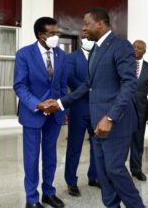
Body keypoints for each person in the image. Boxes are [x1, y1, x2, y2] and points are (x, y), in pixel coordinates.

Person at [42, 8, 145, 208]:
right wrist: (61, 103)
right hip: (97, 123)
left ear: (100, 23)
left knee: (115, 169)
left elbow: (129, 84)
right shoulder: (96, 50)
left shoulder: (121, 46)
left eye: (87, 23)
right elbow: (88, 85)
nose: (84, 28)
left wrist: (111, 117)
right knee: (104, 171)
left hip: (115, 122)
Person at [13, 17, 67, 208]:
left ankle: (49, 192)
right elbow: (19, 86)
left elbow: (62, 85)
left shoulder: (61, 55)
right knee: (32, 157)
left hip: (55, 115)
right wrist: (38, 104)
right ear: (40, 35)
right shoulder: (24, 54)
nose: (55, 36)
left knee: (51, 155)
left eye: (56, 32)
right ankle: (31, 198)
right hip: (33, 114)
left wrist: (61, 106)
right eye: (51, 33)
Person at [64, 38, 99, 197]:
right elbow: (70, 79)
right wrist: (89, 89)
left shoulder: (100, 55)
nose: (88, 40)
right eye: (84, 37)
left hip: (98, 109)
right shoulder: (71, 57)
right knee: (74, 147)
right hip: (78, 108)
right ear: (80, 39)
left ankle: (94, 177)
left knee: (97, 146)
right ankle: (71, 181)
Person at [129, 40, 148, 181]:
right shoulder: (123, 65)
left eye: (139, 48)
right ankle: (118, 171)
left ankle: (136, 170)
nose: (135, 49)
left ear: (144, 51)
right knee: (121, 142)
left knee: (137, 141)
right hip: (122, 109)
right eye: (133, 47)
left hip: (141, 110)